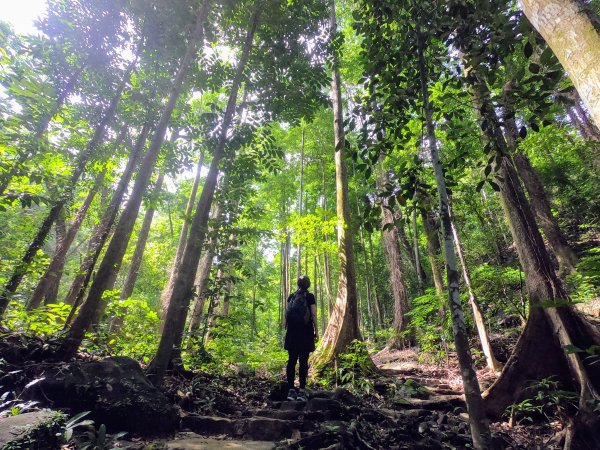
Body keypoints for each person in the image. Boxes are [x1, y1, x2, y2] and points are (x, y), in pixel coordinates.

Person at [284, 275, 318, 401]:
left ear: (298, 284)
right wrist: (317, 331)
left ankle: (291, 390)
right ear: (308, 285)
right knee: (303, 361)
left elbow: (286, 315)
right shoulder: (310, 297)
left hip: (292, 332)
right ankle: (302, 391)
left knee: (291, 360)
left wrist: (286, 329)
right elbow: (313, 314)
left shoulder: (291, 296)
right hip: (306, 332)